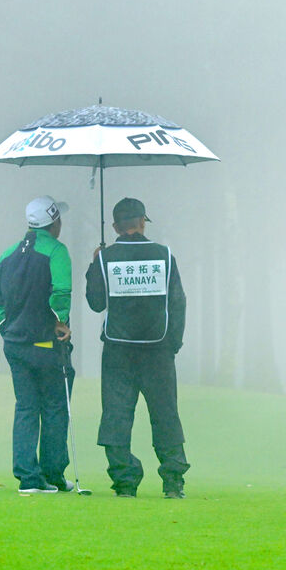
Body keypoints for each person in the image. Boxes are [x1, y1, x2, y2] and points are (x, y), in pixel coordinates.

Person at [85, 197, 189, 499]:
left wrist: (96, 265)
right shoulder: (164, 255)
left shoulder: (106, 258)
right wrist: (174, 344)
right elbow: (178, 302)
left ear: (116, 227)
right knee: (166, 414)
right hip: (158, 350)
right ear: (142, 222)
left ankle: (125, 481)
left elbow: (96, 304)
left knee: (116, 416)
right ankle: (173, 481)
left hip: (118, 350)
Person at [0, 195, 75, 493]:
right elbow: (61, 292)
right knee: (54, 406)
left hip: (14, 345)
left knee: (26, 407)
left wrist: (7, 330)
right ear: (54, 222)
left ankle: (29, 478)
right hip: (44, 345)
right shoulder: (56, 251)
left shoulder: (6, 255)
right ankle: (52, 475)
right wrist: (61, 321)